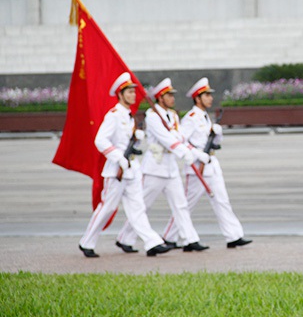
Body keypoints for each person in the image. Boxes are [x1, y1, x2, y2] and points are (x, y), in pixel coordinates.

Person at [79, 72, 172, 257]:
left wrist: (137, 140)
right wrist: (117, 157)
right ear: (120, 94)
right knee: (107, 208)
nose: (132, 95)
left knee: (137, 207)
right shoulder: (114, 115)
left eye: (133, 92)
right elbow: (100, 140)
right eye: (128, 92)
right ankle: (86, 242)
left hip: (131, 169)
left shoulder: (129, 116)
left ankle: (152, 242)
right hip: (116, 170)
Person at [116, 78, 210, 253]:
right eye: (168, 95)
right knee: (143, 205)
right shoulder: (152, 116)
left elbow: (180, 136)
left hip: (170, 166)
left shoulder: (173, 115)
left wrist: (182, 144)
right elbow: (166, 139)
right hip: (155, 166)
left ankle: (190, 239)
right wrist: (183, 151)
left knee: (180, 204)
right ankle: (125, 238)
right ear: (160, 98)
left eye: (172, 95)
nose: (172, 99)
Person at [162, 77, 252, 249]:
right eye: (206, 95)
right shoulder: (191, 118)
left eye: (210, 95)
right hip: (197, 166)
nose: (210, 98)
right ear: (198, 98)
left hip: (211, 163)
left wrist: (217, 134)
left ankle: (233, 235)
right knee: (187, 204)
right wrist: (197, 154)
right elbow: (182, 141)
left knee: (222, 200)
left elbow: (214, 141)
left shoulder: (205, 117)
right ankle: (169, 236)